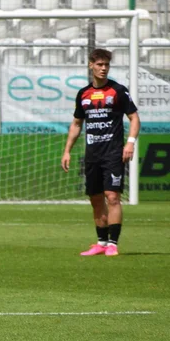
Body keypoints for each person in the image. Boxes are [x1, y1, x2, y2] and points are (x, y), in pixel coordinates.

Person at [61, 48, 140, 256]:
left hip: (113, 152)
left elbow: (134, 118)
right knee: (95, 199)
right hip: (92, 154)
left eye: (106, 65)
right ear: (91, 66)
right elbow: (77, 123)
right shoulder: (83, 94)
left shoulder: (118, 91)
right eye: (99, 65)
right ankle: (101, 243)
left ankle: (113, 243)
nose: (103, 68)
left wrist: (130, 143)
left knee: (112, 196)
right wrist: (67, 151)